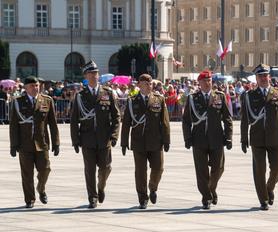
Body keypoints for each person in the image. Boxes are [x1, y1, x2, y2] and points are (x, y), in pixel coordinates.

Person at [240, 64, 278, 210]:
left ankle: (268, 189)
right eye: (260, 76)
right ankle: (263, 199)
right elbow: (244, 119)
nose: (263, 78)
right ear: (256, 78)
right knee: (259, 170)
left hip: (275, 138)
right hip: (257, 139)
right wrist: (244, 139)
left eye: (265, 75)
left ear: (269, 76)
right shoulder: (249, 96)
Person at [70, 60, 120, 209]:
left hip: (104, 138)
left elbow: (116, 116)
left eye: (96, 73)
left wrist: (114, 135)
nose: (94, 76)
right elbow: (74, 120)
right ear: (86, 76)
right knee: (89, 170)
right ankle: (92, 197)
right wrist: (75, 140)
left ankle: (101, 186)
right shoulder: (80, 96)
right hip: (87, 139)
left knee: (106, 168)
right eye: (91, 73)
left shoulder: (108, 93)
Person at [182, 70, 233, 209]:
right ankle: (206, 197)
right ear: (199, 83)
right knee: (201, 171)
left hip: (217, 138)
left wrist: (228, 137)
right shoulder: (193, 98)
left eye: (209, 80)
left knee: (219, 168)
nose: (207, 83)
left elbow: (227, 119)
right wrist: (187, 137)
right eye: (204, 81)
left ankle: (211, 188)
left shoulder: (220, 97)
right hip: (199, 140)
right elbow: (186, 120)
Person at [121, 74, 170, 209]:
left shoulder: (159, 99)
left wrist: (166, 140)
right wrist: (124, 142)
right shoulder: (132, 101)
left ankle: (153, 187)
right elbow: (126, 123)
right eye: (145, 83)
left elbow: (165, 121)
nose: (149, 86)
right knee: (140, 172)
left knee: (158, 168)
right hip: (139, 142)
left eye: (150, 83)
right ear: (139, 85)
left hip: (155, 141)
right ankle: (142, 197)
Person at [9, 76, 60, 208]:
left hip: (42, 143)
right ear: (25, 88)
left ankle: (41, 188)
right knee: (27, 174)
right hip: (24, 144)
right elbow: (14, 125)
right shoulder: (17, 102)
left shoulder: (47, 100)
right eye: (32, 86)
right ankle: (30, 199)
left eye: (37, 85)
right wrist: (13, 145)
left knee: (46, 169)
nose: (35, 88)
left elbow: (53, 124)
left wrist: (56, 142)